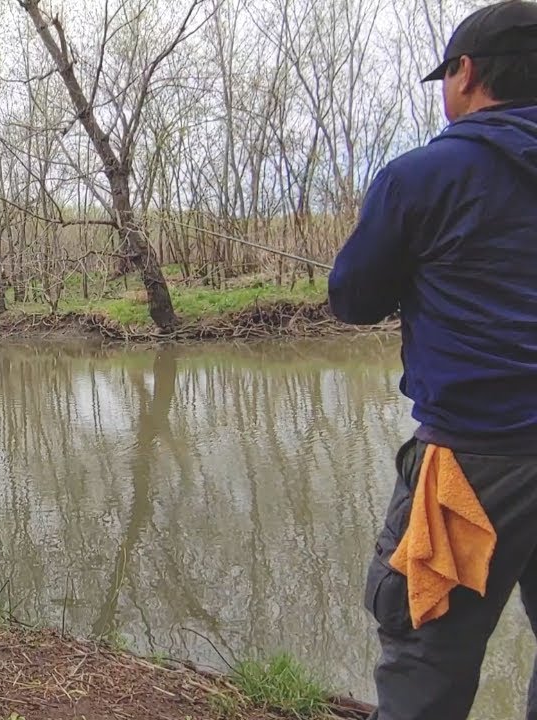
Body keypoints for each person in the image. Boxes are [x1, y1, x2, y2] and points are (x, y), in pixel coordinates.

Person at [328, 2, 537, 718]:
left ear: (466, 72)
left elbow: (353, 298)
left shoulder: (423, 175)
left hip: (472, 467)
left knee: (426, 660)